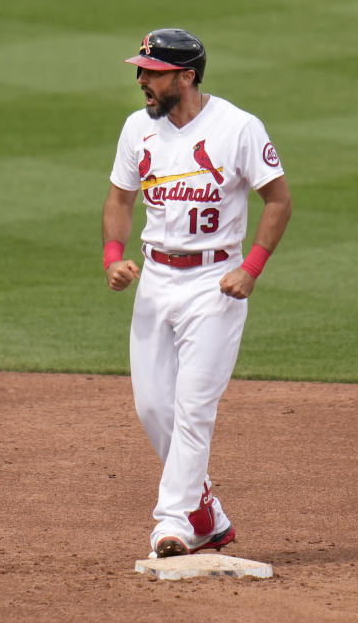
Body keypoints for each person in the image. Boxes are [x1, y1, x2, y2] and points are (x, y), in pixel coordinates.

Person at [102, 28, 292, 558]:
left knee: (193, 409)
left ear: (185, 76)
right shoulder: (137, 129)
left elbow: (278, 201)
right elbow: (119, 199)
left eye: (152, 72)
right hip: (156, 281)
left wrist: (251, 269)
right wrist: (113, 257)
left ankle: (173, 524)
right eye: (141, 70)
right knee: (152, 407)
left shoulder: (238, 128)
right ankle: (206, 510)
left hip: (216, 287)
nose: (141, 80)